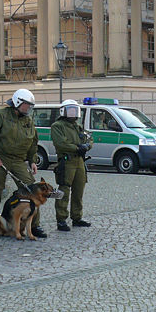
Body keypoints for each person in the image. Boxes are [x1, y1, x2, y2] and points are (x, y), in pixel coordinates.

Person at [0, 89, 45, 239]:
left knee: (32, 189)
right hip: (1, 158)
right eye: (27, 105)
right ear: (17, 103)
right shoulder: (0, 115)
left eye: (31, 105)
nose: (29, 108)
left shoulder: (28, 121)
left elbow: (32, 143)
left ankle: (34, 226)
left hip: (18, 160)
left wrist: (32, 160)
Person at [51, 99, 93, 232]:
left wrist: (87, 146)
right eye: (70, 110)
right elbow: (60, 143)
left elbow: (89, 138)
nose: (73, 113)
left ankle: (77, 217)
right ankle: (61, 219)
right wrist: (77, 148)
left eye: (75, 110)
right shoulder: (58, 126)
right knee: (64, 189)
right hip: (66, 161)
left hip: (79, 161)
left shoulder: (77, 126)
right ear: (64, 111)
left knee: (79, 189)